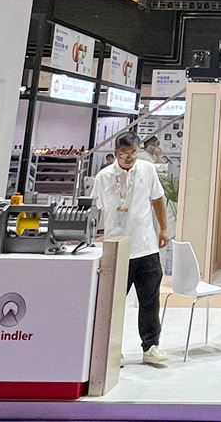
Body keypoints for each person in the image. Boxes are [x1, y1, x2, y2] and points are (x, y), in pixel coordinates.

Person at [94, 131, 169, 366]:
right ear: (116, 152)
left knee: (150, 300)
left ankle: (151, 346)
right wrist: (95, 236)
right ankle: (112, 350)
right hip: (116, 248)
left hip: (145, 246)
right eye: (124, 153)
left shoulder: (147, 170)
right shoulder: (104, 177)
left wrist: (163, 229)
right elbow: (96, 209)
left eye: (133, 152)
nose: (129, 157)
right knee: (113, 302)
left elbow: (158, 199)